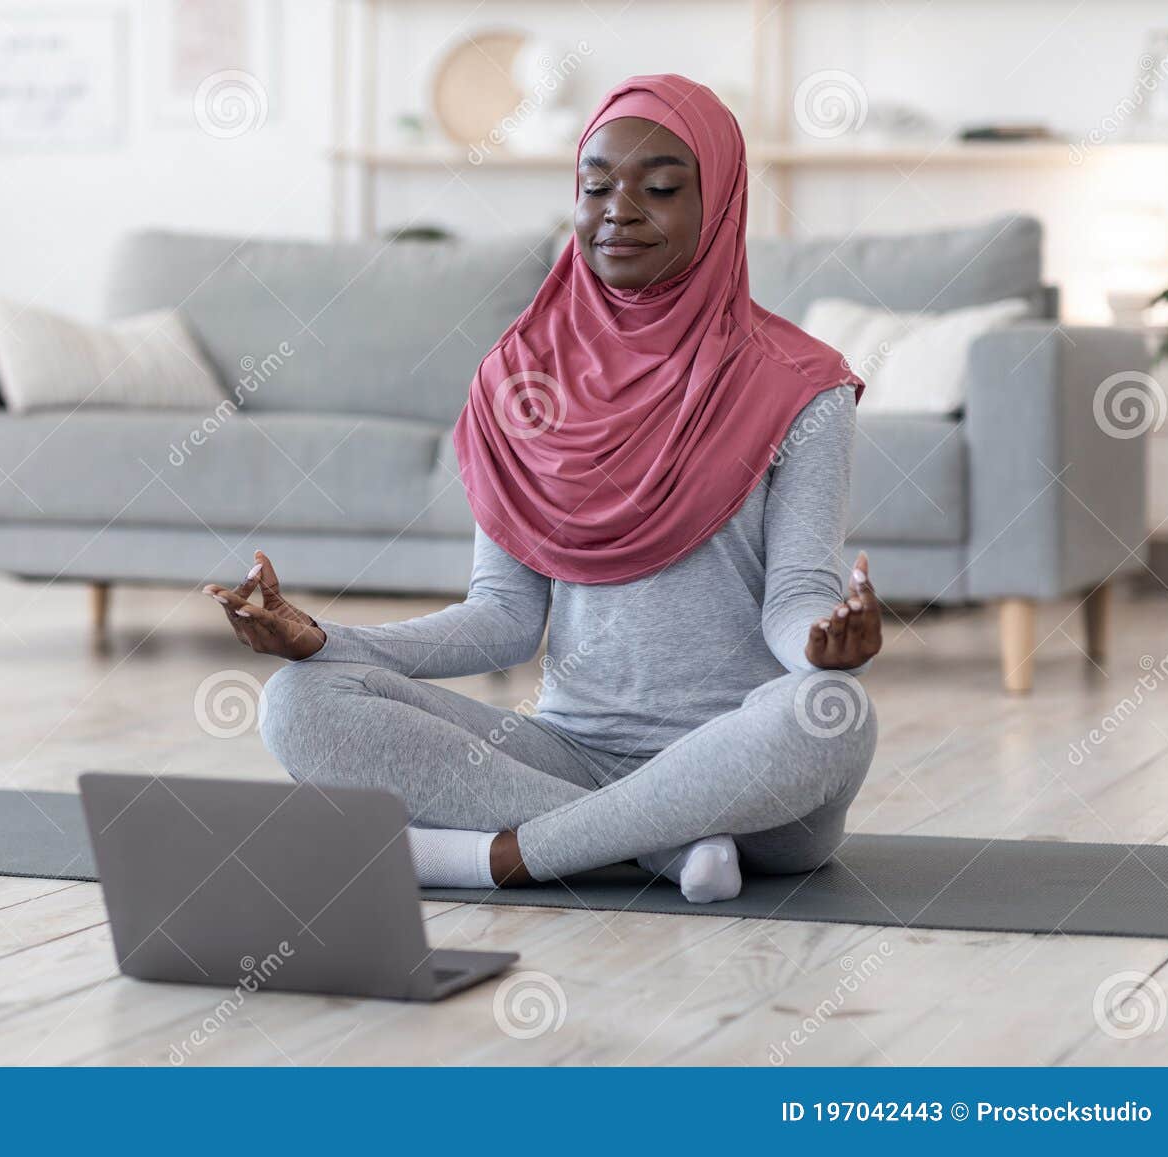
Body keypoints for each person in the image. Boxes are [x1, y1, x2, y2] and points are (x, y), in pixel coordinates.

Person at [204, 74, 881, 903]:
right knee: (298, 701)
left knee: (833, 714)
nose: (618, 209)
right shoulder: (518, 378)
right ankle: (664, 848)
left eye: (660, 187)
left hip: (745, 775)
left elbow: (795, 599)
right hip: (569, 753)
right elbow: (503, 619)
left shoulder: (802, 385)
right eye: (595, 186)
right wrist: (325, 640)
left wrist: (822, 642)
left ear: (723, 204)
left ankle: (502, 857)